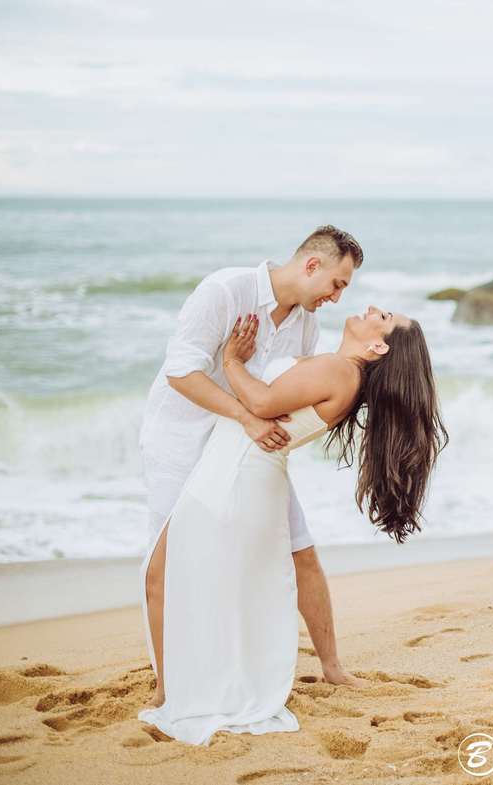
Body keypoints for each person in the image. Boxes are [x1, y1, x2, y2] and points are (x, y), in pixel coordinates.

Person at [138, 304, 447, 745]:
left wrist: (230, 362)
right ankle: (182, 682)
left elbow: (260, 402)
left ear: (378, 345)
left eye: (386, 316)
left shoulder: (341, 371)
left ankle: (175, 689)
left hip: (235, 473)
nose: (374, 308)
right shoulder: (340, 371)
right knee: (195, 578)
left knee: (163, 575)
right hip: (245, 472)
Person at [138, 226, 363, 709]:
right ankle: (165, 686)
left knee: (299, 546)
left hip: (248, 451)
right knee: (166, 563)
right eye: (337, 283)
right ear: (311, 265)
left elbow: (284, 399)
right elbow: (181, 371)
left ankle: (332, 667)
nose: (337, 296)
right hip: (181, 439)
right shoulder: (226, 291)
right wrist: (245, 416)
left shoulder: (305, 325)